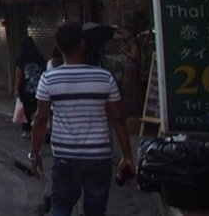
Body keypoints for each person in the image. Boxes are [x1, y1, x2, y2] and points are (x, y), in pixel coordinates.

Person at [28, 22, 135, 216]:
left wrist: (34, 155)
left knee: (60, 207)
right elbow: (118, 118)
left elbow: (40, 119)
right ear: (83, 44)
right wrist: (127, 156)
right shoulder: (105, 78)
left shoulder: (48, 79)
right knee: (95, 210)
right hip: (99, 157)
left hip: (65, 156)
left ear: (59, 47)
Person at [13, 35, 46, 139]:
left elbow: (18, 74)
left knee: (26, 110)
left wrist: (16, 88)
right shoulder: (39, 57)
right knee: (37, 109)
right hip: (38, 87)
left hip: (25, 88)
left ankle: (26, 131)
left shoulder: (21, 58)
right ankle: (38, 129)